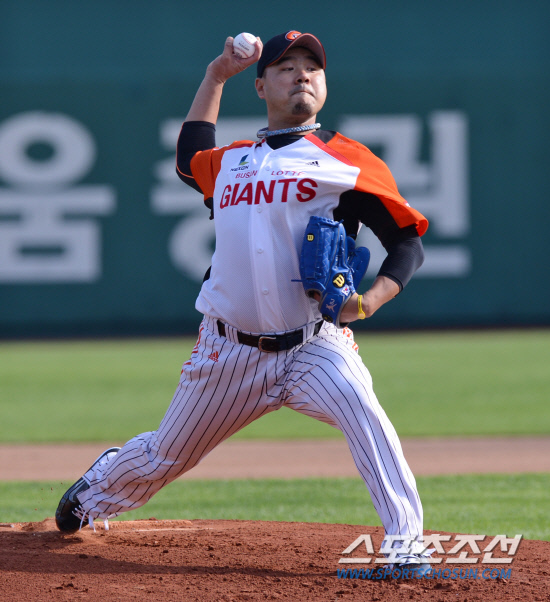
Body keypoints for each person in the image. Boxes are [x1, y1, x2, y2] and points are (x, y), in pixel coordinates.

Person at [56, 31, 431, 575]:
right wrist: (215, 76)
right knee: (167, 455)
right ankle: (96, 489)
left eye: (312, 67)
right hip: (229, 350)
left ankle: (406, 545)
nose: (302, 74)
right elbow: (188, 157)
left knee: (365, 414)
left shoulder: (347, 161)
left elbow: (407, 243)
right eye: (286, 66)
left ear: (324, 83)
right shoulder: (231, 162)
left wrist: (369, 302)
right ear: (260, 86)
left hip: (313, 344)